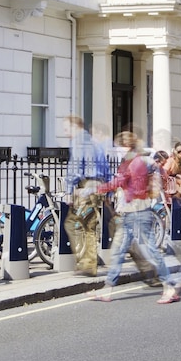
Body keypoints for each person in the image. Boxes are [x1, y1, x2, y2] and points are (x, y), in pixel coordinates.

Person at [94, 131, 180, 304]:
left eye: (120, 146)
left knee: (151, 252)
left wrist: (98, 189)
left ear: (128, 146)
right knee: (119, 252)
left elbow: (123, 183)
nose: (118, 150)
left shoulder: (135, 162)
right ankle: (107, 289)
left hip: (139, 213)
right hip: (130, 213)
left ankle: (170, 287)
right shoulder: (134, 161)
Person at [63, 115, 109, 276]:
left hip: (87, 185)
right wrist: (108, 190)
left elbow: (75, 167)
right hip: (98, 185)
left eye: (67, 128)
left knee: (78, 225)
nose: (65, 132)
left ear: (75, 126)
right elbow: (106, 167)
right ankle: (87, 263)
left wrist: (69, 190)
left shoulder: (79, 141)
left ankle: (87, 264)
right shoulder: (95, 142)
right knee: (87, 225)